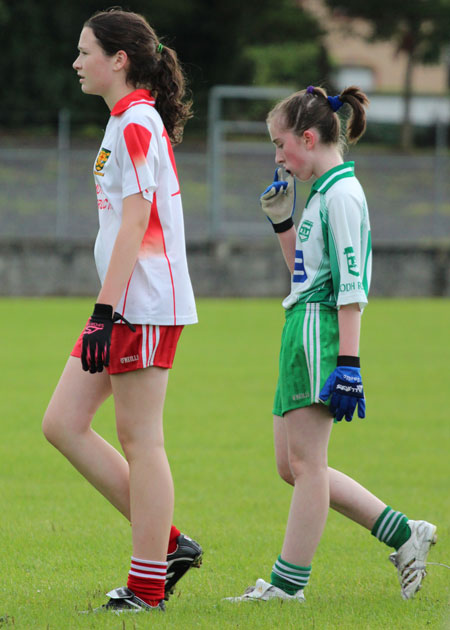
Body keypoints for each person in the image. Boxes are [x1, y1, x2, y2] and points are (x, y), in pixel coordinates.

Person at [227, 85, 436, 603]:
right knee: (292, 466)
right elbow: (305, 273)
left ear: (309, 136)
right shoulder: (322, 191)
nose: (277, 157)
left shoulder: (342, 194)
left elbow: (349, 287)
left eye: (281, 145)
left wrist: (348, 362)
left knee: (307, 467)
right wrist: (283, 223)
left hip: (319, 331)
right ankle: (404, 533)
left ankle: (286, 586)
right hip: (300, 324)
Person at [42, 8, 202, 614]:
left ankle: (147, 586)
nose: (77, 62)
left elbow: (138, 220)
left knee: (141, 440)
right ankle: (168, 546)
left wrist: (104, 312)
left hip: (142, 304)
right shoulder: (127, 121)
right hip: (127, 304)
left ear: (119, 60)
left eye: (85, 52)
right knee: (62, 423)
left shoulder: (136, 123)